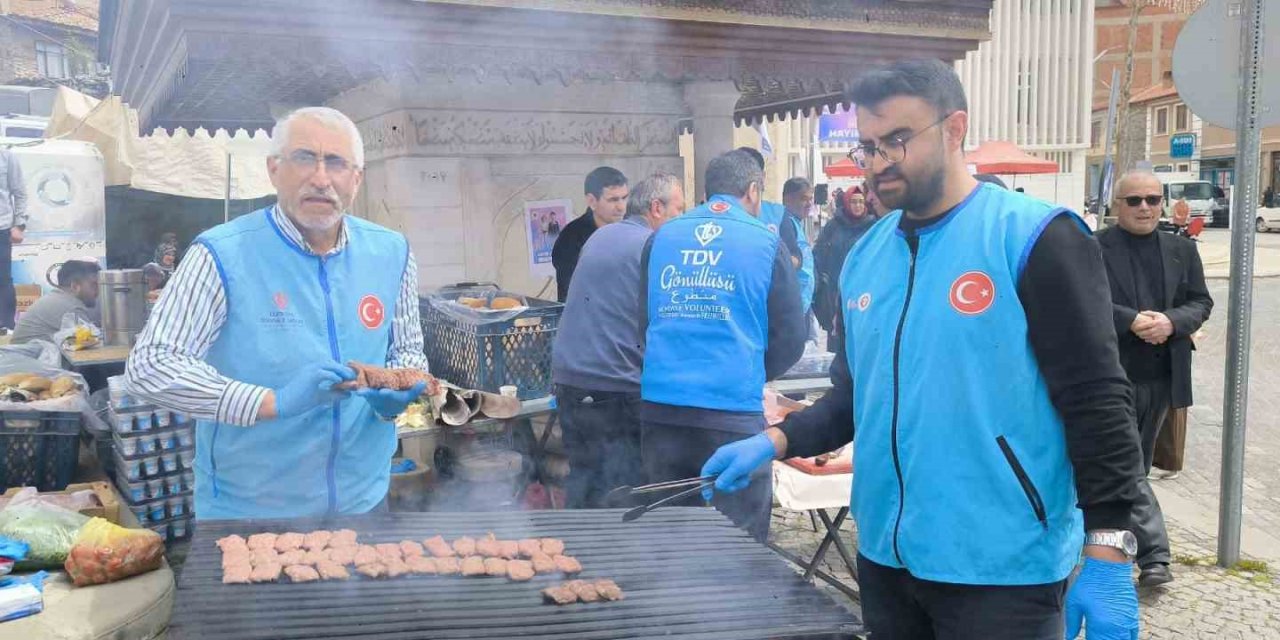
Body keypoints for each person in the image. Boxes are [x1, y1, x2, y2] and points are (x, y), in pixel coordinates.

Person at [701, 59, 1146, 640]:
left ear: (955, 129)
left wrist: (1110, 544)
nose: (880, 161)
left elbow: (1098, 399)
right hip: (887, 557)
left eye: (898, 140)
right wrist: (775, 440)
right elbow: (856, 396)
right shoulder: (866, 256)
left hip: (1002, 566)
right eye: (868, 145)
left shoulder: (1037, 237)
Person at [124, 107, 429, 520]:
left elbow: (407, 352)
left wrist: (391, 400)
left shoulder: (392, 251)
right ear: (274, 169)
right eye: (305, 157)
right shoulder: (222, 253)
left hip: (363, 502)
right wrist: (272, 402)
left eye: (337, 162)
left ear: (356, 178)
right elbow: (151, 365)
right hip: (250, 510)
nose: (321, 178)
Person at [640, 149, 806, 543]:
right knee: (737, 542)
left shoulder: (661, 236)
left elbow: (644, 321)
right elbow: (792, 338)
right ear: (752, 191)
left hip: (661, 412)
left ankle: (669, 605)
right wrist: (748, 370)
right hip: (731, 419)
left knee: (669, 537)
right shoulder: (766, 243)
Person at [1097, 171, 1213, 588]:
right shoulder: (1094, 247)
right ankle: (1155, 556)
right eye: (1133, 201)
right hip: (1111, 376)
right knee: (1128, 462)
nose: (1144, 207)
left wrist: (1170, 322)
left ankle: (1109, 540)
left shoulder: (1182, 248)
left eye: (1151, 199)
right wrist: (1130, 321)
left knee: (1137, 466)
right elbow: (1085, 300)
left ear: (1163, 203)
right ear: (1117, 206)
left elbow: (1201, 301)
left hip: (1163, 376)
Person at [552, 173, 686, 509]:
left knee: (583, 483)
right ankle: (612, 558)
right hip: (615, 391)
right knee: (625, 493)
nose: (682, 220)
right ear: (657, 208)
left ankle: (572, 554)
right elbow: (668, 323)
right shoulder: (653, 246)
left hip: (569, 383)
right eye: (679, 210)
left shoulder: (602, 236)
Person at [740, 147, 815, 317]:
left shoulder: (779, 215)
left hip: (780, 314)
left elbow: (798, 260)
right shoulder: (719, 217)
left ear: (762, 179)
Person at [811, 186, 877, 353]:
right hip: (836, 292)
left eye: (861, 201)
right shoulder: (834, 226)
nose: (857, 206)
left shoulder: (873, 226)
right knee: (838, 344)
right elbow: (819, 254)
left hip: (865, 291)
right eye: (853, 202)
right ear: (846, 203)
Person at [552, 167, 629, 301]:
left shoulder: (633, 229)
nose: (621, 207)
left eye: (624, 198)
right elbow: (571, 293)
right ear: (592, 201)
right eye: (613, 200)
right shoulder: (571, 238)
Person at [10, 260, 100, 345]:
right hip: (32, 359)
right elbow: (89, 342)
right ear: (75, 286)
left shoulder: (58, 298)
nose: (98, 290)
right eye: (94, 285)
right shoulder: (70, 308)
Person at [0, 146, 27, 331]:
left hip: (1, 227)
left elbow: (20, 192)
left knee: (3, 279)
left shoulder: (6, 156)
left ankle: (6, 328)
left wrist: (19, 225)